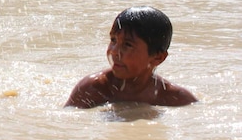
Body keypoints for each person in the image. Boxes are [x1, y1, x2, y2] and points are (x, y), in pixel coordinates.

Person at [65, 6, 198, 109]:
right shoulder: (93, 89)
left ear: (158, 57)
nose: (114, 51)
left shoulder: (174, 98)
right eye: (113, 40)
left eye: (127, 45)